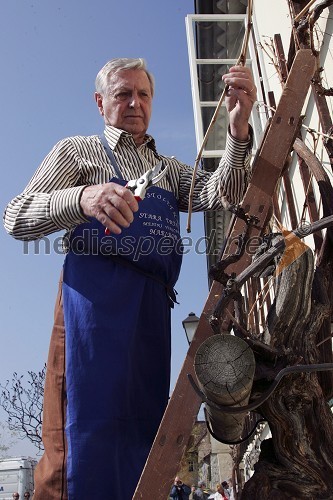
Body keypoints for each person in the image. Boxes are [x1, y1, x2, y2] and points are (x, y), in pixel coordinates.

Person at [3, 58, 256, 499]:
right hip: (94, 305)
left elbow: (224, 194)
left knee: (144, 435)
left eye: (143, 94)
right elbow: (16, 217)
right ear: (101, 103)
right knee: (85, 434)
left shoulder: (169, 169)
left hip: (152, 308)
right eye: (122, 94)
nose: (134, 103)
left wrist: (237, 131)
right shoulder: (78, 152)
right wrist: (84, 196)